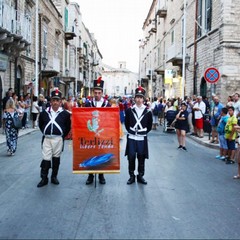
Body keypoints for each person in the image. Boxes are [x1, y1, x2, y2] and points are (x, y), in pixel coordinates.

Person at [37, 89, 71, 188]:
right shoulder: (44, 113)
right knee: (46, 158)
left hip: (58, 139)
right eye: (53, 100)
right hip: (47, 139)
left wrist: (61, 135)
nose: (55, 102)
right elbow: (40, 124)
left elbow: (67, 127)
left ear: (60, 102)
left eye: (57, 100)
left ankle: (54, 176)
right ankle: (44, 178)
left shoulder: (65, 114)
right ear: (50, 101)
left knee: (56, 158)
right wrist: (45, 131)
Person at [85, 76, 111, 185]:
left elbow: (110, 118)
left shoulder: (107, 104)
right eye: (95, 92)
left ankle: (101, 175)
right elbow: (84, 117)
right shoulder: (88, 104)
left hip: (102, 133)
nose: (97, 95)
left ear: (102, 92)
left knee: (101, 154)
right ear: (93, 92)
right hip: (91, 133)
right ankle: (90, 175)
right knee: (90, 153)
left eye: (99, 92)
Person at [124, 86, 153, 185]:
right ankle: (131, 176)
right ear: (134, 98)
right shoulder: (129, 110)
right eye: (137, 97)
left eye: (141, 97)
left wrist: (141, 132)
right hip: (132, 137)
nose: (139, 99)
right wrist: (132, 131)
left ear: (143, 99)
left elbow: (149, 125)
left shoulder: (148, 111)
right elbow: (127, 124)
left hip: (142, 137)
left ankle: (140, 176)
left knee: (141, 157)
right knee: (131, 157)